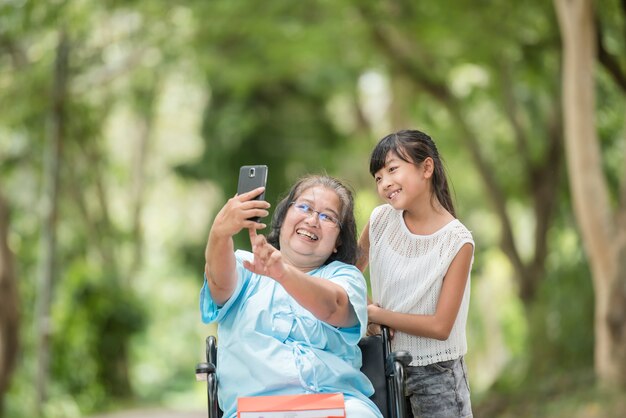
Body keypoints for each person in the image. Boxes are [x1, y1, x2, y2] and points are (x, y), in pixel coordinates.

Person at [200, 174, 383, 418]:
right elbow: (218, 282)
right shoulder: (246, 267)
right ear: (284, 216)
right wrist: (219, 234)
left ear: (338, 240)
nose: (312, 220)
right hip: (256, 410)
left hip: (338, 405)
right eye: (304, 207)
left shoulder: (345, 277)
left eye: (328, 216)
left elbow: (334, 307)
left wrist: (283, 273)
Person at [357, 130, 474, 418]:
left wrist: (376, 315)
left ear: (426, 168)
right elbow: (346, 272)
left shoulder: (457, 241)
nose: (385, 183)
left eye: (392, 169)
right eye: (378, 177)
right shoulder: (380, 220)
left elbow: (440, 326)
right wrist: (366, 306)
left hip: (438, 376)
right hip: (384, 365)